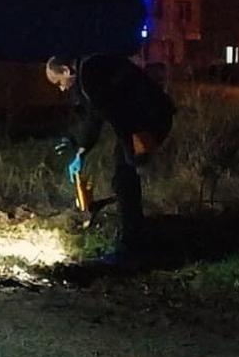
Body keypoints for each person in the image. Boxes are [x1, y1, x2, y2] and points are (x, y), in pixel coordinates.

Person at [46, 54, 174, 260]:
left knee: (124, 178)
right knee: (123, 177)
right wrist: (81, 151)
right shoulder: (89, 73)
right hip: (143, 118)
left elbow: (116, 117)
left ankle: (132, 246)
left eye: (59, 82)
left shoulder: (89, 74)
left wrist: (132, 152)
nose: (62, 89)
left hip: (150, 118)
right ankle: (133, 235)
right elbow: (95, 116)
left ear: (66, 71)